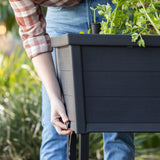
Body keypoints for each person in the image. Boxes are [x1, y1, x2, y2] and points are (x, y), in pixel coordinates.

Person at [9, 0, 135, 159]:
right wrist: (55, 97)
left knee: (119, 132)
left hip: (115, 11)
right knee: (56, 131)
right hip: (63, 21)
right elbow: (33, 35)